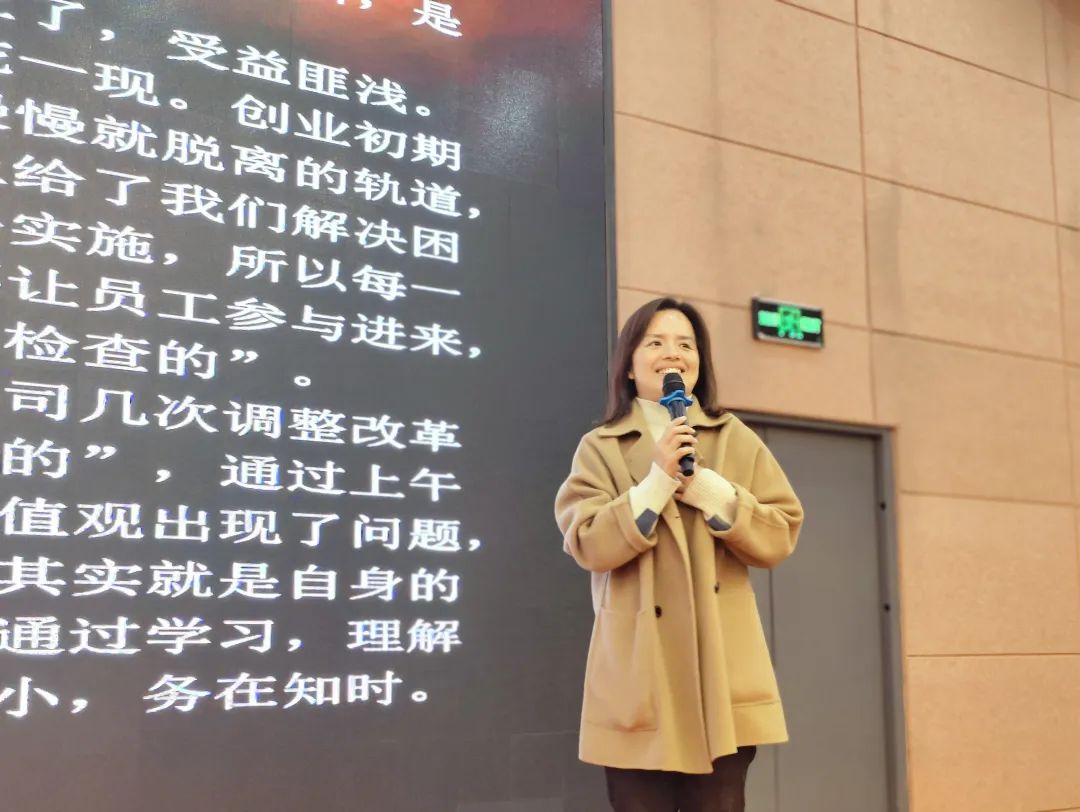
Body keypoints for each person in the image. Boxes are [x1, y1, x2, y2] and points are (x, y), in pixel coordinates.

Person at [554, 297, 804, 812]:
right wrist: (656, 482)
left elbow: (780, 532)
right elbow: (588, 542)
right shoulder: (600, 446)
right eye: (656, 342)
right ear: (628, 365)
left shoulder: (734, 437)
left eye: (685, 344)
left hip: (720, 671)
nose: (673, 354)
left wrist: (711, 491)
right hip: (638, 676)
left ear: (700, 363)